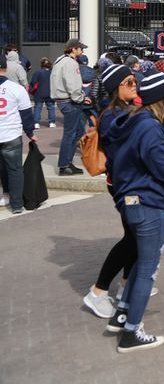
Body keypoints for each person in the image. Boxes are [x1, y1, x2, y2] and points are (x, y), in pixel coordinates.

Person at [103, 72, 164, 352]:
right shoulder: (150, 126)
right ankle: (132, 332)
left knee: (141, 263)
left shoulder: (134, 121)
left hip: (132, 199)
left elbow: (145, 154)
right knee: (147, 270)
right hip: (146, 202)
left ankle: (121, 314)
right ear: (158, 101)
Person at [82, 64, 138, 319]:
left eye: (135, 80)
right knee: (132, 239)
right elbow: (124, 150)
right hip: (123, 184)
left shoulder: (121, 111)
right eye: (129, 82)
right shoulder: (113, 116)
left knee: (134, 236)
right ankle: (98, 292)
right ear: (117, 87)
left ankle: (126, 285)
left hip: (126, 182)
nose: (134, 85)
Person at [0, 54, 37, 214]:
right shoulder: (16, 88)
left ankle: (5, 195)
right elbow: (26, 114)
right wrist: (30, 133)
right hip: (10, 133)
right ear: (6, 68)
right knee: (14, 169)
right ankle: (16, 204)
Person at [52, 38, 92, 176]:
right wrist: (80, 98)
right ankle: (64, 164)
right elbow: (73, 84)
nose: (82, 50)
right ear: (73, 49)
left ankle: (67, 162)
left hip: (64, 100)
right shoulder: (71, 63)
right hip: (70, 101)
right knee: (71, 134)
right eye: (80, 48)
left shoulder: (60, 60)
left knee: (77, 131)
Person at [30, 57, 56, 128]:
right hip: (50, 93)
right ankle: (52, 122)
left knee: (38, 108)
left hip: (39, 93)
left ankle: (36, 123)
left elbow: (33, 82)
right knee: (51, 107)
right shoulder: (53, 73)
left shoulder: (38, 72)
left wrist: (31, 91)